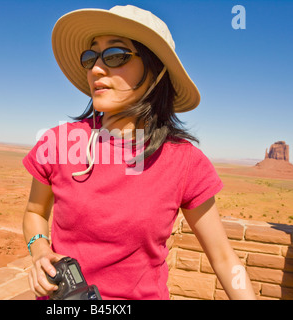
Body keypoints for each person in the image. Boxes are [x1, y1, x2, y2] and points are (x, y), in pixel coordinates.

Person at [22, 5, 256, 300]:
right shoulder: (57, 143)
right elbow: (34, 212)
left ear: (156, 70)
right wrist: (40, 249)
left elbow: (224, 258)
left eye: (115, 55)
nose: (95, 68)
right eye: (90, 56)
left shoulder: (185, 161)